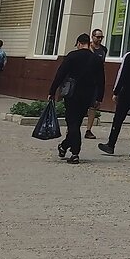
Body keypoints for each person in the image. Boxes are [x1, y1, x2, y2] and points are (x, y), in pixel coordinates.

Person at [48, 33, 105, 164]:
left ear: (79, 43)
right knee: (76, 123)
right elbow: (101, 80)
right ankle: (64, 146)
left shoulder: (72, 56)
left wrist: (52, 91)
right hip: (88, 95)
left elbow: (60, 74)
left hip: (72, 94)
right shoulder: (96, 59)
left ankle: (75, 153)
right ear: (88, 44)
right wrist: (99, 98)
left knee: (72, 122)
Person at [82, 29, 109, 139]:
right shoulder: (87, 48)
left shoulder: (103, 50)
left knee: (93, 106)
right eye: (97, 37)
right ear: (92, 37)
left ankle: (88, 129)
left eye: (101, 37)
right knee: (81, 104)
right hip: (85, 80)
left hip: (96, 81)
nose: (99, 39)